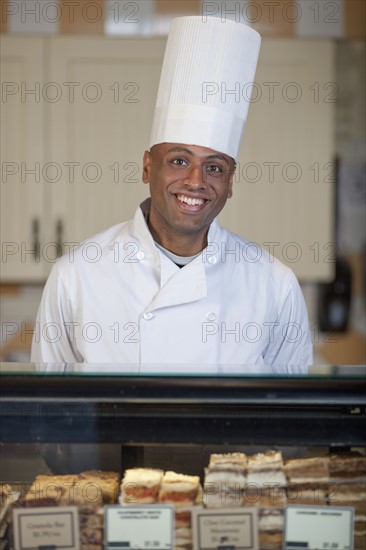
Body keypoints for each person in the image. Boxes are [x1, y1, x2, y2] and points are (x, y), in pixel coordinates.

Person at [31, 16, 313, 368]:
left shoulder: (274, 284)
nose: (196, 182)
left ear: (230, 183)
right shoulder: (78, 275)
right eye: (179, 161)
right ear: (148, 166)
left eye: (214, 167)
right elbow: (50, 411)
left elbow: (290, 414)